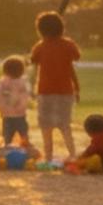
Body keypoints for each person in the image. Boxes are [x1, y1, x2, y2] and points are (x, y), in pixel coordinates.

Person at [29, 9, 81, 161]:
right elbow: (76, 58)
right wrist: (77, 89)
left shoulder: (39, 46)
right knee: (65, 125)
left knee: (46, 126)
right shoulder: (68, 45)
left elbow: (33, 62)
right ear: (61, 27)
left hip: (45, 91)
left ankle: (48, 157)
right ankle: (72, 154)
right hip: (66, 90)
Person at [0, 55, 31, 147]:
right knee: (23, 134)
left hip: (8, 115)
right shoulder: (22, 82)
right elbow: (26, 96)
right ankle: (25, 147)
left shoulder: (4, 82)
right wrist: (20, 107)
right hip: (19, 115)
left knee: (8, 135)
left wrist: (3, 107)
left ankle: (9, 147)